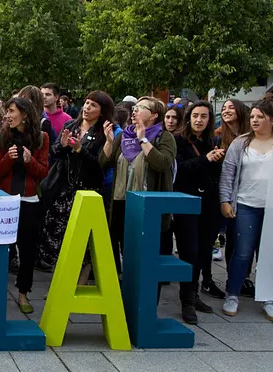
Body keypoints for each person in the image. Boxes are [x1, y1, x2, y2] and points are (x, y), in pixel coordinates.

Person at [219, 101, 273, 322]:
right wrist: (225, 200)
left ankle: (270, 298)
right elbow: (228, 174)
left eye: (260, 117)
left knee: (270, 254)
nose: (255, 121)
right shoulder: (241, 143)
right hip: (246, 204)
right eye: (253, 117)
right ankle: (232, 294)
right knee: (242, 252)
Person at [38, 91, 114, 271]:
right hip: (63, 190)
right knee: (57, 239)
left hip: (87, 193)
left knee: (83, 244)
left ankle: (78, 281)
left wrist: (80, 149)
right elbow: (55, 153)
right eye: (87, 103)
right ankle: (61, 282)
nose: (87, 107)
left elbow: (98, 168)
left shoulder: (103, 133)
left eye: (93, 105)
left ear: (102, 111)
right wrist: (63, 146)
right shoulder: (71, 125)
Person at [101, 96, 176, 275]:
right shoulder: (125, 135)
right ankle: (126, 294)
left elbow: (162, 163)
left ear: (154, 115)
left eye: (141, 108)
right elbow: (104, 162)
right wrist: (109, 141)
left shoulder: (164, 137)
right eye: (134, 107)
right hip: (122, 203)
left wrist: (143, 140)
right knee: (126, 252)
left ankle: (146, 299)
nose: (135, 110)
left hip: (148, 205)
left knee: (147, 257)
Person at [0, 97, 49, 314]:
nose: (7, 115)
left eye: (11, 110)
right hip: (3, 201)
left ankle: (23, 293)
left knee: (27, 251)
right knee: (1, 249)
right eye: (7, 110)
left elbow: (43, 172)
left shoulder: (41, 138)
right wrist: (8, 158)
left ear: (25, 114)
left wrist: (29, 161)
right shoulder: (1, 137)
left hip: (29, 200)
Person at [172, 101, 225, 324]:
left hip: (208, 203)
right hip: (186, 203)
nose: (199, 120)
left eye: (204, 116)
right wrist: (205, 159)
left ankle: (194, 295)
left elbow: (216, 173)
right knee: (189, 252)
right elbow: (179, 171)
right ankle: (186, 300)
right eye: (195, 115)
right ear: (188, 117)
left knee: (204, 251)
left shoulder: (212, 141)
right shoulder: (178, 140)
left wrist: (214, 159)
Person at [214, 98, 254, 297]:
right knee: (231, 237)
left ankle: (243, 278)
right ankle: (233, 279)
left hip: (248, 193)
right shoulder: (218, 135)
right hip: (225, 193)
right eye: (223, 108)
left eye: (231, 107)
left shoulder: (253, 137)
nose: (226, 111)